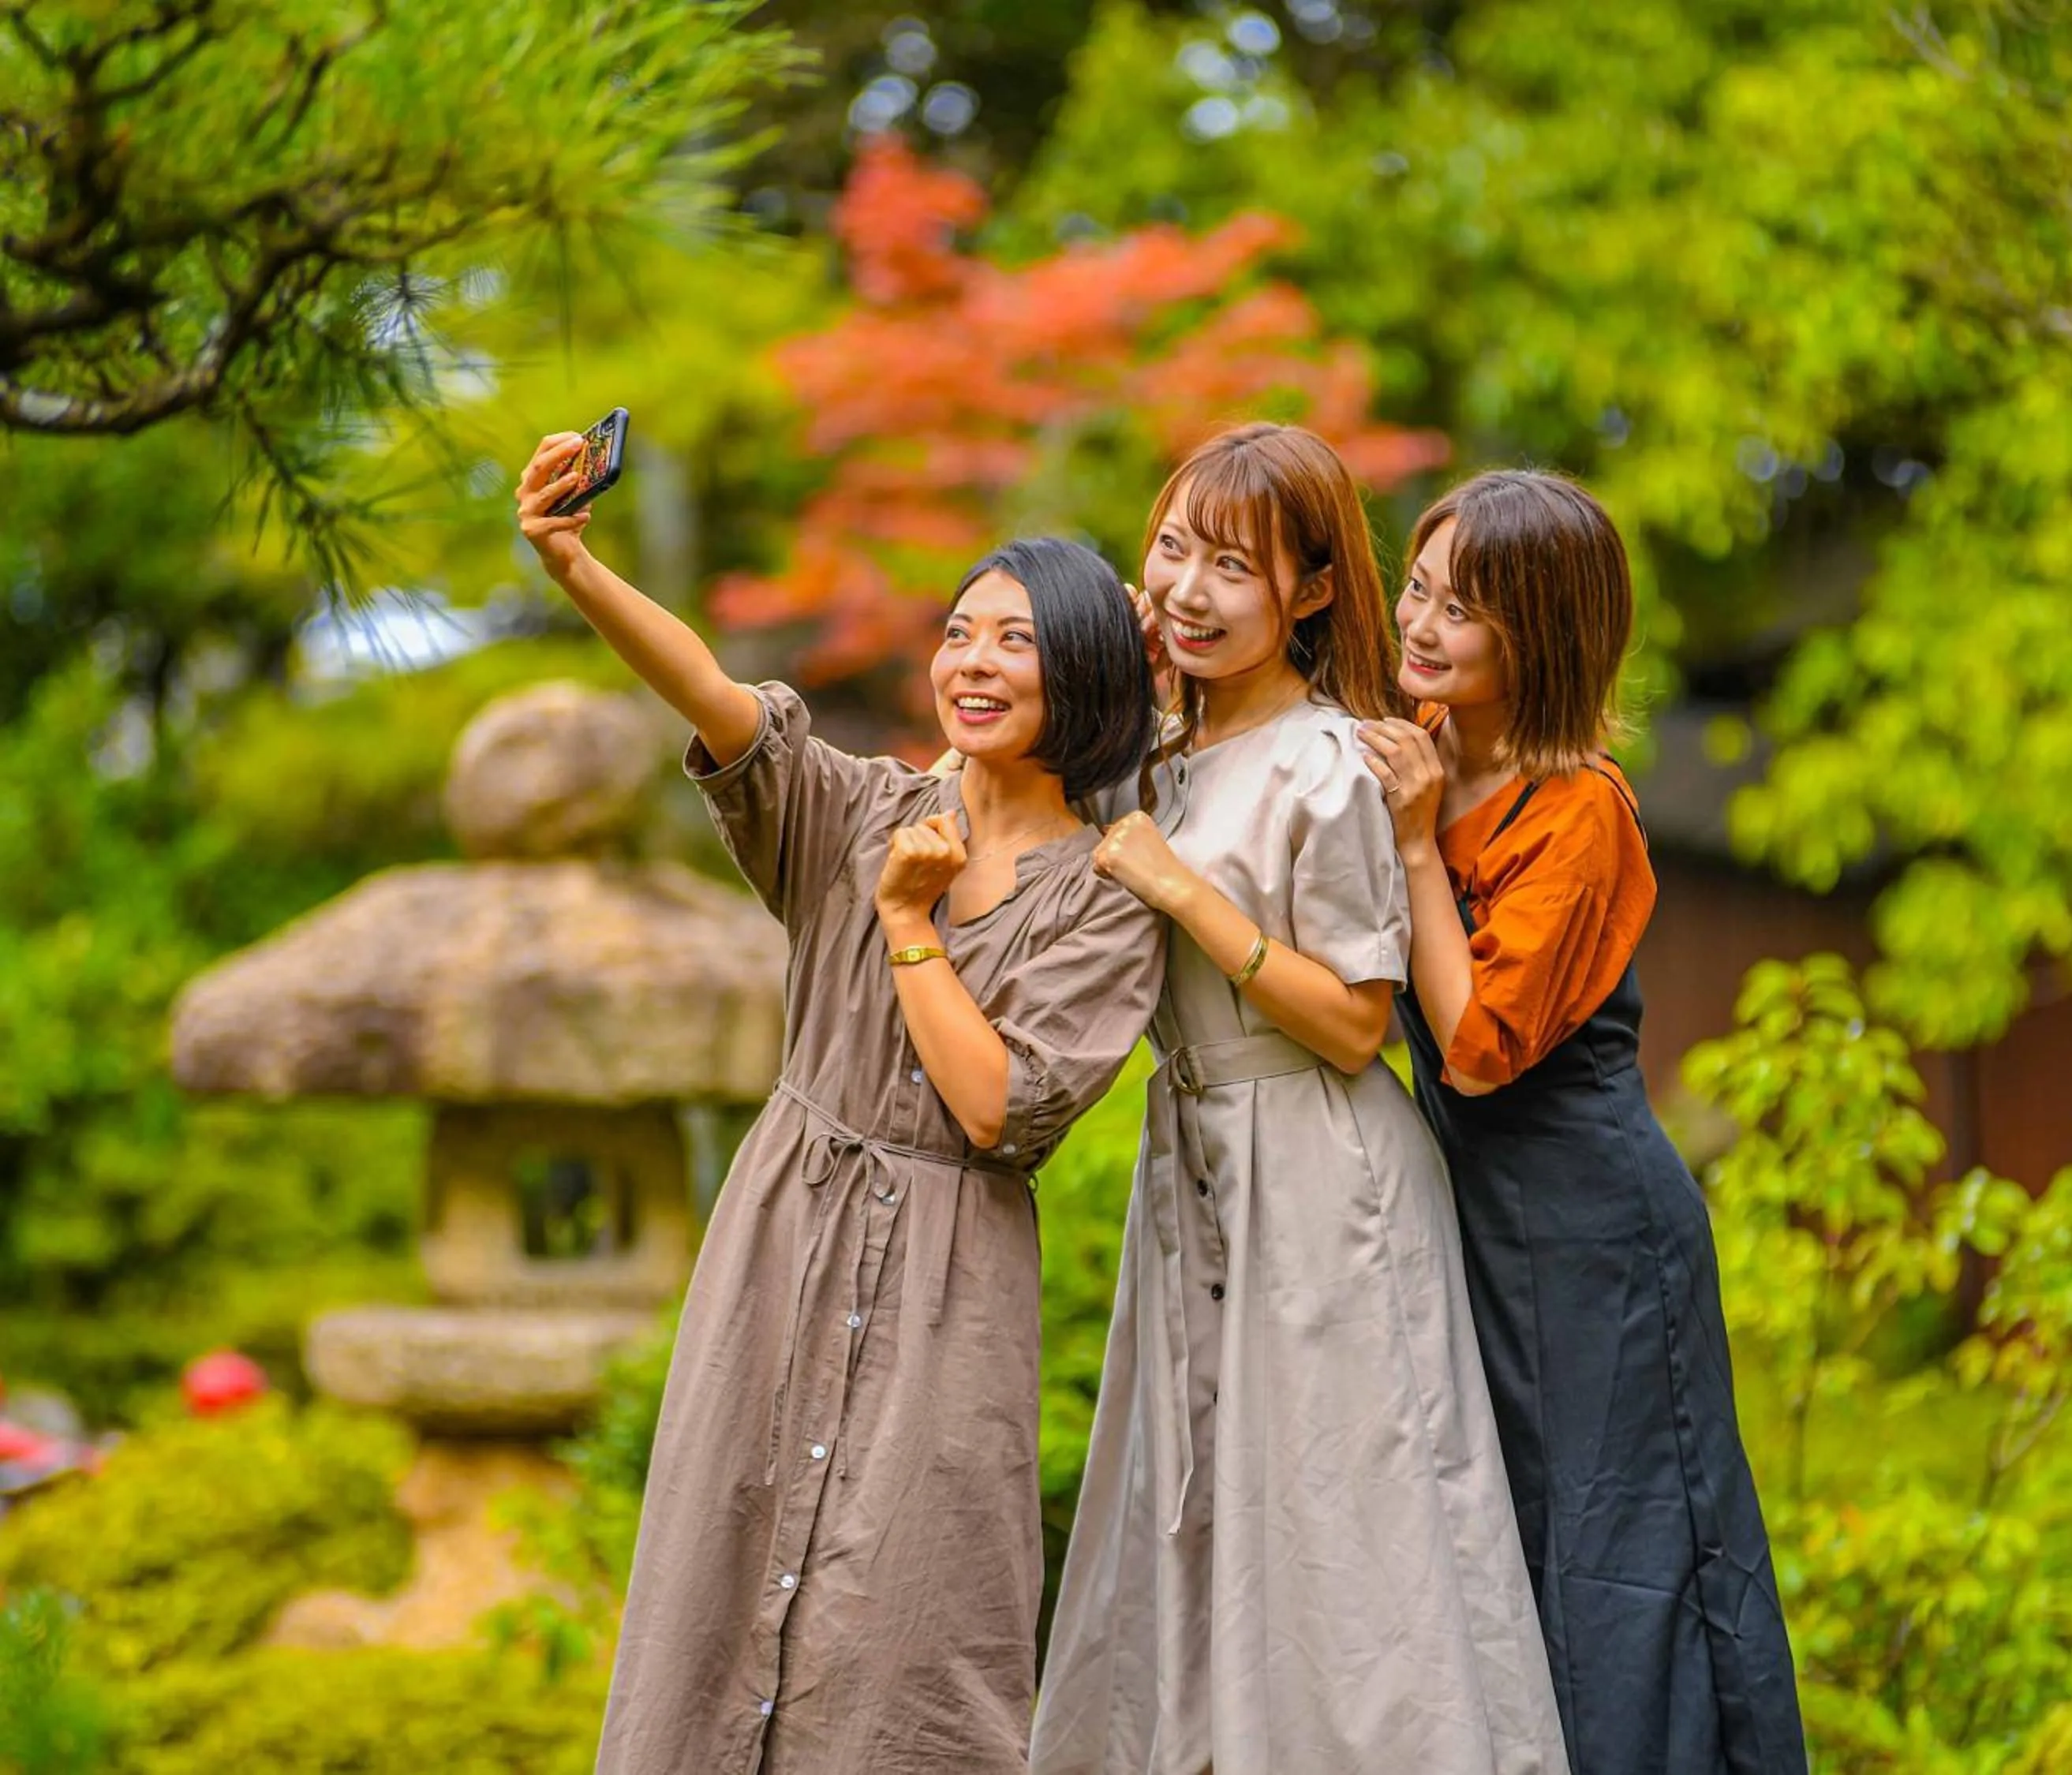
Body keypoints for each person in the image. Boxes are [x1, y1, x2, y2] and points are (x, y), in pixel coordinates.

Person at [513, 432, 1169, 1775]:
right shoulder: (858, 807)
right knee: (718, 1577)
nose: (972, 662)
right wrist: (571, 563)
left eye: (1016, 643)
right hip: (780, 1249)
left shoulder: (1109, 895)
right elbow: (713, 693)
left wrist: (909, 923)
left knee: (904, 1628)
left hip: (949, 1281)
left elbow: (996, 1108)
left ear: (1088, 675)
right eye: (959, 632)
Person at [1033, 423, 1569, 1775]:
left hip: (1324, 1175)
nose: (1188, 590)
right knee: (1198, 1505)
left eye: (1234, 565)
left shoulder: (1332, 763)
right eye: (1171, 551)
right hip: (1197, 1162)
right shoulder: (1146, 760)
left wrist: (1184, 893)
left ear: (1313, 592)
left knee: (1346, 1522)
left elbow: (1354, 1024)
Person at [1358, 469, 1808, 1773]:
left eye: (1468, 609)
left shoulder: (1581, 808)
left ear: (1544, 633)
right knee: (1510, 1538)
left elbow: (1478, 1047)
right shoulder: (1415, 752)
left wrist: (1408, 849)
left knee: (1625, 1560)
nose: (1425, 625)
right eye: (1421, 589)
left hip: (1598, 1231)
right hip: (1482, 1223)